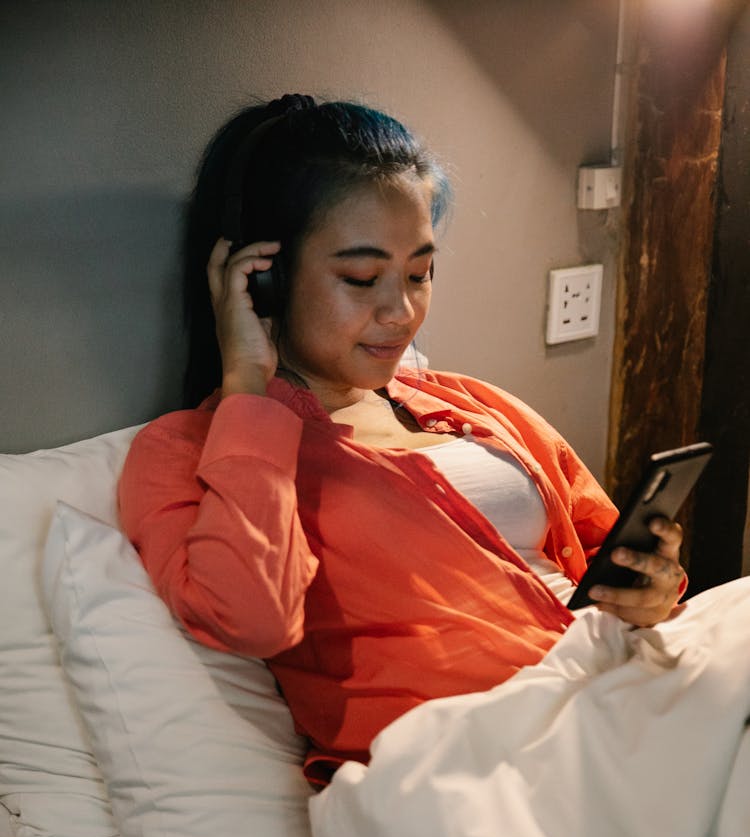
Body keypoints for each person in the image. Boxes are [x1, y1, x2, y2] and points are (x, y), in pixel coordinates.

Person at [118, 93, 687, 787]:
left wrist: (654, 586)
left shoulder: (472, 405)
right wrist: (248, 384)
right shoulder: (190, 450)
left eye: (419, 274)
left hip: (613, 700)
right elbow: (252, 615)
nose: (402, 312)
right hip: (473, 763)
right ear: (262, 279)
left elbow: (608, 547)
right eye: (361, 279)